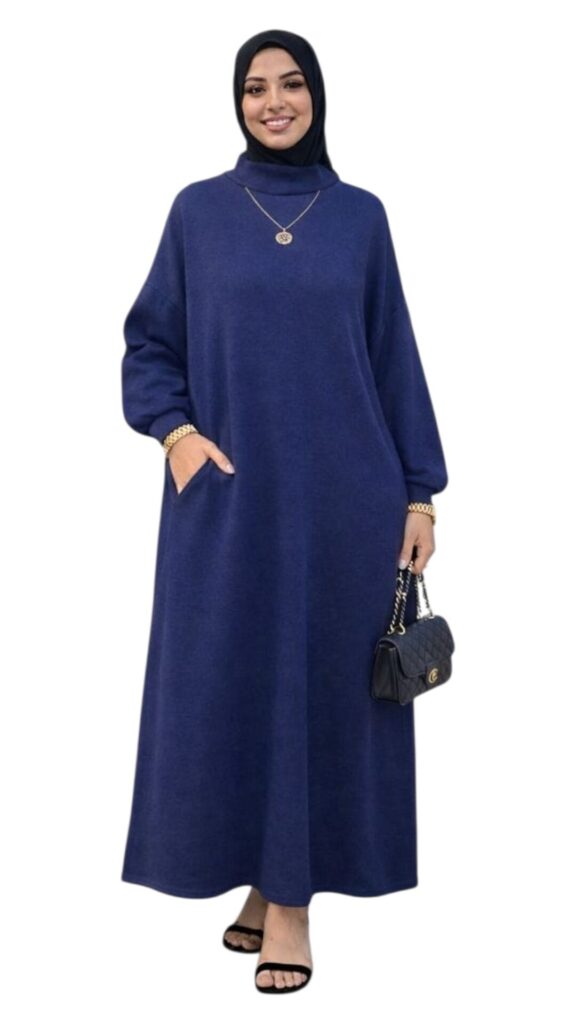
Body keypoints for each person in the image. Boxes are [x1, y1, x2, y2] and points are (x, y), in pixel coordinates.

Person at [120, 28, 449, 996]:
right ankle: (266, 879)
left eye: (291, 83)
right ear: (237, 102)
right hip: (228, 504)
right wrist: (177, 436)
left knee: (321, 688)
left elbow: (394, 357)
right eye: (256, 87)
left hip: (349, 501)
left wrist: (420, 490)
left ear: (317, 95)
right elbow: (149, 344)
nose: (274, 102)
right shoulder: (198, 212)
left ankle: (292, 907)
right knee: (230, 683)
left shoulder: (360, 218)